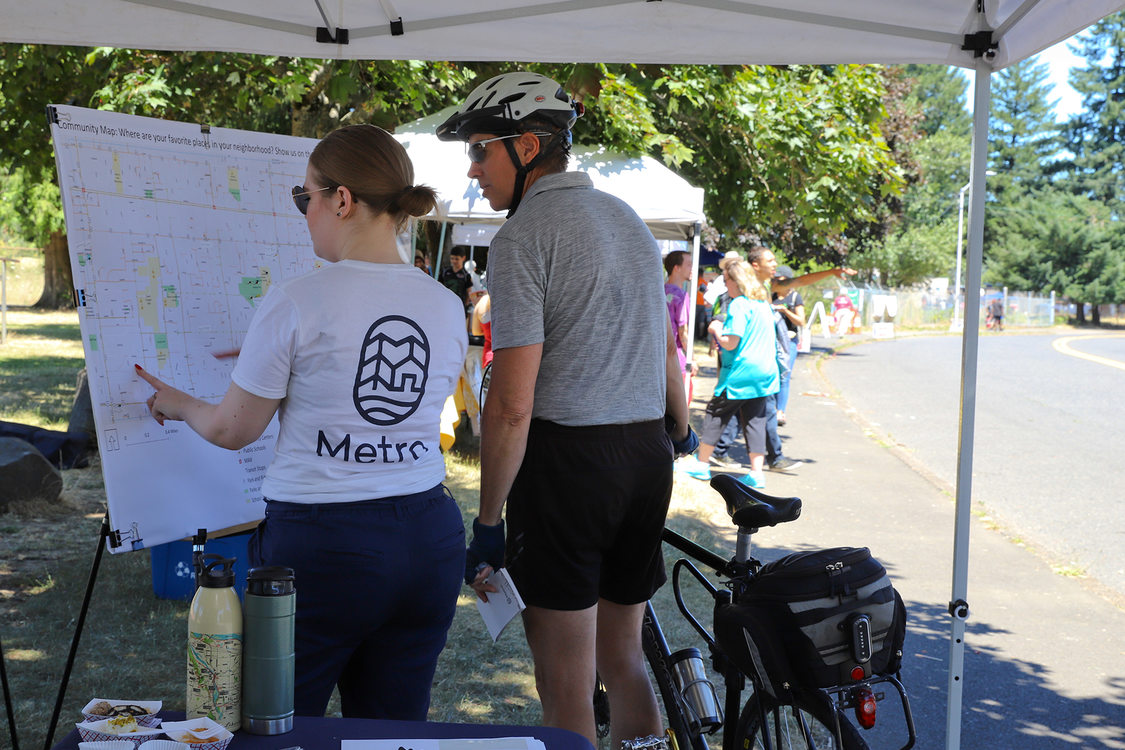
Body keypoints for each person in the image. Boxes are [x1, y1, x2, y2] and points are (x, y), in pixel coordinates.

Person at [135, 124, 468, 721]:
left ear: (341, 200)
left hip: (326, 546)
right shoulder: (443, 303)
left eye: (303, 197)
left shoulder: (299, 299)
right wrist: (281, 360)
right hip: (429, 537)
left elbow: (232, 430)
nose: (303, 212)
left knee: (276, 725)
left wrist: (176, 402)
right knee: (392, 732)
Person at [436, 71, 695, 748]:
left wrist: (488, 520)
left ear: (527, 146)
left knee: (563, 681)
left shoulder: (524, 236)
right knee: (624, 658)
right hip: (645, 456)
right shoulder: (626, 220)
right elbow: (668, 352)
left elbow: (512, 404)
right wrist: (682, 427)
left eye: (480, 148)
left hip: (567, 468)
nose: (472, 168)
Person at [676, 259, 778, 488]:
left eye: (726, 280)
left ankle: (701, 465)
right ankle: (757, 473)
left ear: (736, 281)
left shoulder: (739, 304)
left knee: (716, 413)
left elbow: (730, 343)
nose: (725, 285)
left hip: (741, 373)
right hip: (765, 373)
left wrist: (714, 329)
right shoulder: (763, 303)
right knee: (754, 420)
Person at [770, 265, 805, 427]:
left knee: (784, 375)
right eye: (775, 279)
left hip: (789, 341)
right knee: (772, 374)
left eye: (780, 280)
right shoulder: (771, 296)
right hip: (771, 340)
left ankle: (780, 411)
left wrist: (785, 311)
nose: (777, 282)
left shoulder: (794, 298)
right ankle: (770, 409)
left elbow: (801, 321)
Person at [664, 250, 696, 390]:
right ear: (676, 268)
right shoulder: (682, 296)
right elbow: (683, 333)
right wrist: (692, 359)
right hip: (675, 359)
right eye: (689, 264)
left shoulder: (658, 290)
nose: (692, 269)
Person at [439, 245, 474, 311]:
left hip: (460, 307)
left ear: (463, 258)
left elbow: (469, 293)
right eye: (452, 258)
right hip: (445, 306)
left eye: (457, 259)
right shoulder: (444, 272)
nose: (454, 261)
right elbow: (439, 287)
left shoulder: (466, 275)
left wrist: (465, 307)